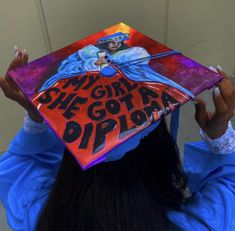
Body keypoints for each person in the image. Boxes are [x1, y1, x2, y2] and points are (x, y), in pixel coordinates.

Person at [0, 47, 234, 231]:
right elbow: (229, 186)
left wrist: (38, 114)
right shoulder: (204, 224)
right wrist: (219, 134)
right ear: (160, 155)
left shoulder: (37, 215)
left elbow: (18, 166)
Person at [39, 32, 194, 99]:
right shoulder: (89, 52)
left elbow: (142, 72)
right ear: (104, 42)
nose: (115, 44)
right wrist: (90, 63)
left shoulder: (132, 54)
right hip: (85, 91)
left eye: (118, 41)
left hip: (124, 92)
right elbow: (65, 68)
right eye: (112, 41)